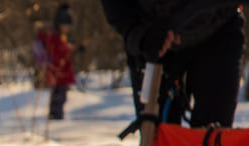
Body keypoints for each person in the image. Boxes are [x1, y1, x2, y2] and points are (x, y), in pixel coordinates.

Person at [99, 0, 244, 127]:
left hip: (218, 25)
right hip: (153, 35)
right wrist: (137, 34)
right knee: (156, 135)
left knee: (214, 135)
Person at [37, 4, 77, 120]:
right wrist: (68, 50)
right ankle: (56, 117)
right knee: (58, 97)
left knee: (60, 96)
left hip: (60, 73)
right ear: (60, 24)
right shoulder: (55, 37)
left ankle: (56, 116)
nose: (68, 28)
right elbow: (58, 53)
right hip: (58, 73)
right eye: (66, 25)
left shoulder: (59, 37)